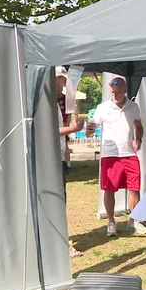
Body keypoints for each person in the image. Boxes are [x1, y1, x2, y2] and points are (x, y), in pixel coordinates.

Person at [93, 77, 146, 236]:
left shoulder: (133, 106)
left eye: (118, 92)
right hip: (110, 155)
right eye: (112, 92)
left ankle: (133, 220)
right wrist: (88, 128)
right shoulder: (103, 108)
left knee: (135, 188)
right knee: (109, 189)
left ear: (124, 90)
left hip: (129, 154)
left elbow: (138, 125)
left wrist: (139, 138)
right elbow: (93, 125)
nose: (115, 95)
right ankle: (111, 222)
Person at [55, 68, 86, 197]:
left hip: (61, 151)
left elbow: (65, 125)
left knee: (61, 191)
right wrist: (72, 129)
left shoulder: (66, 100)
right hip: (48, 154)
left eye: (61, 80)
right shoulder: (45, 101)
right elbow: (48, 132)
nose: (60, 83)